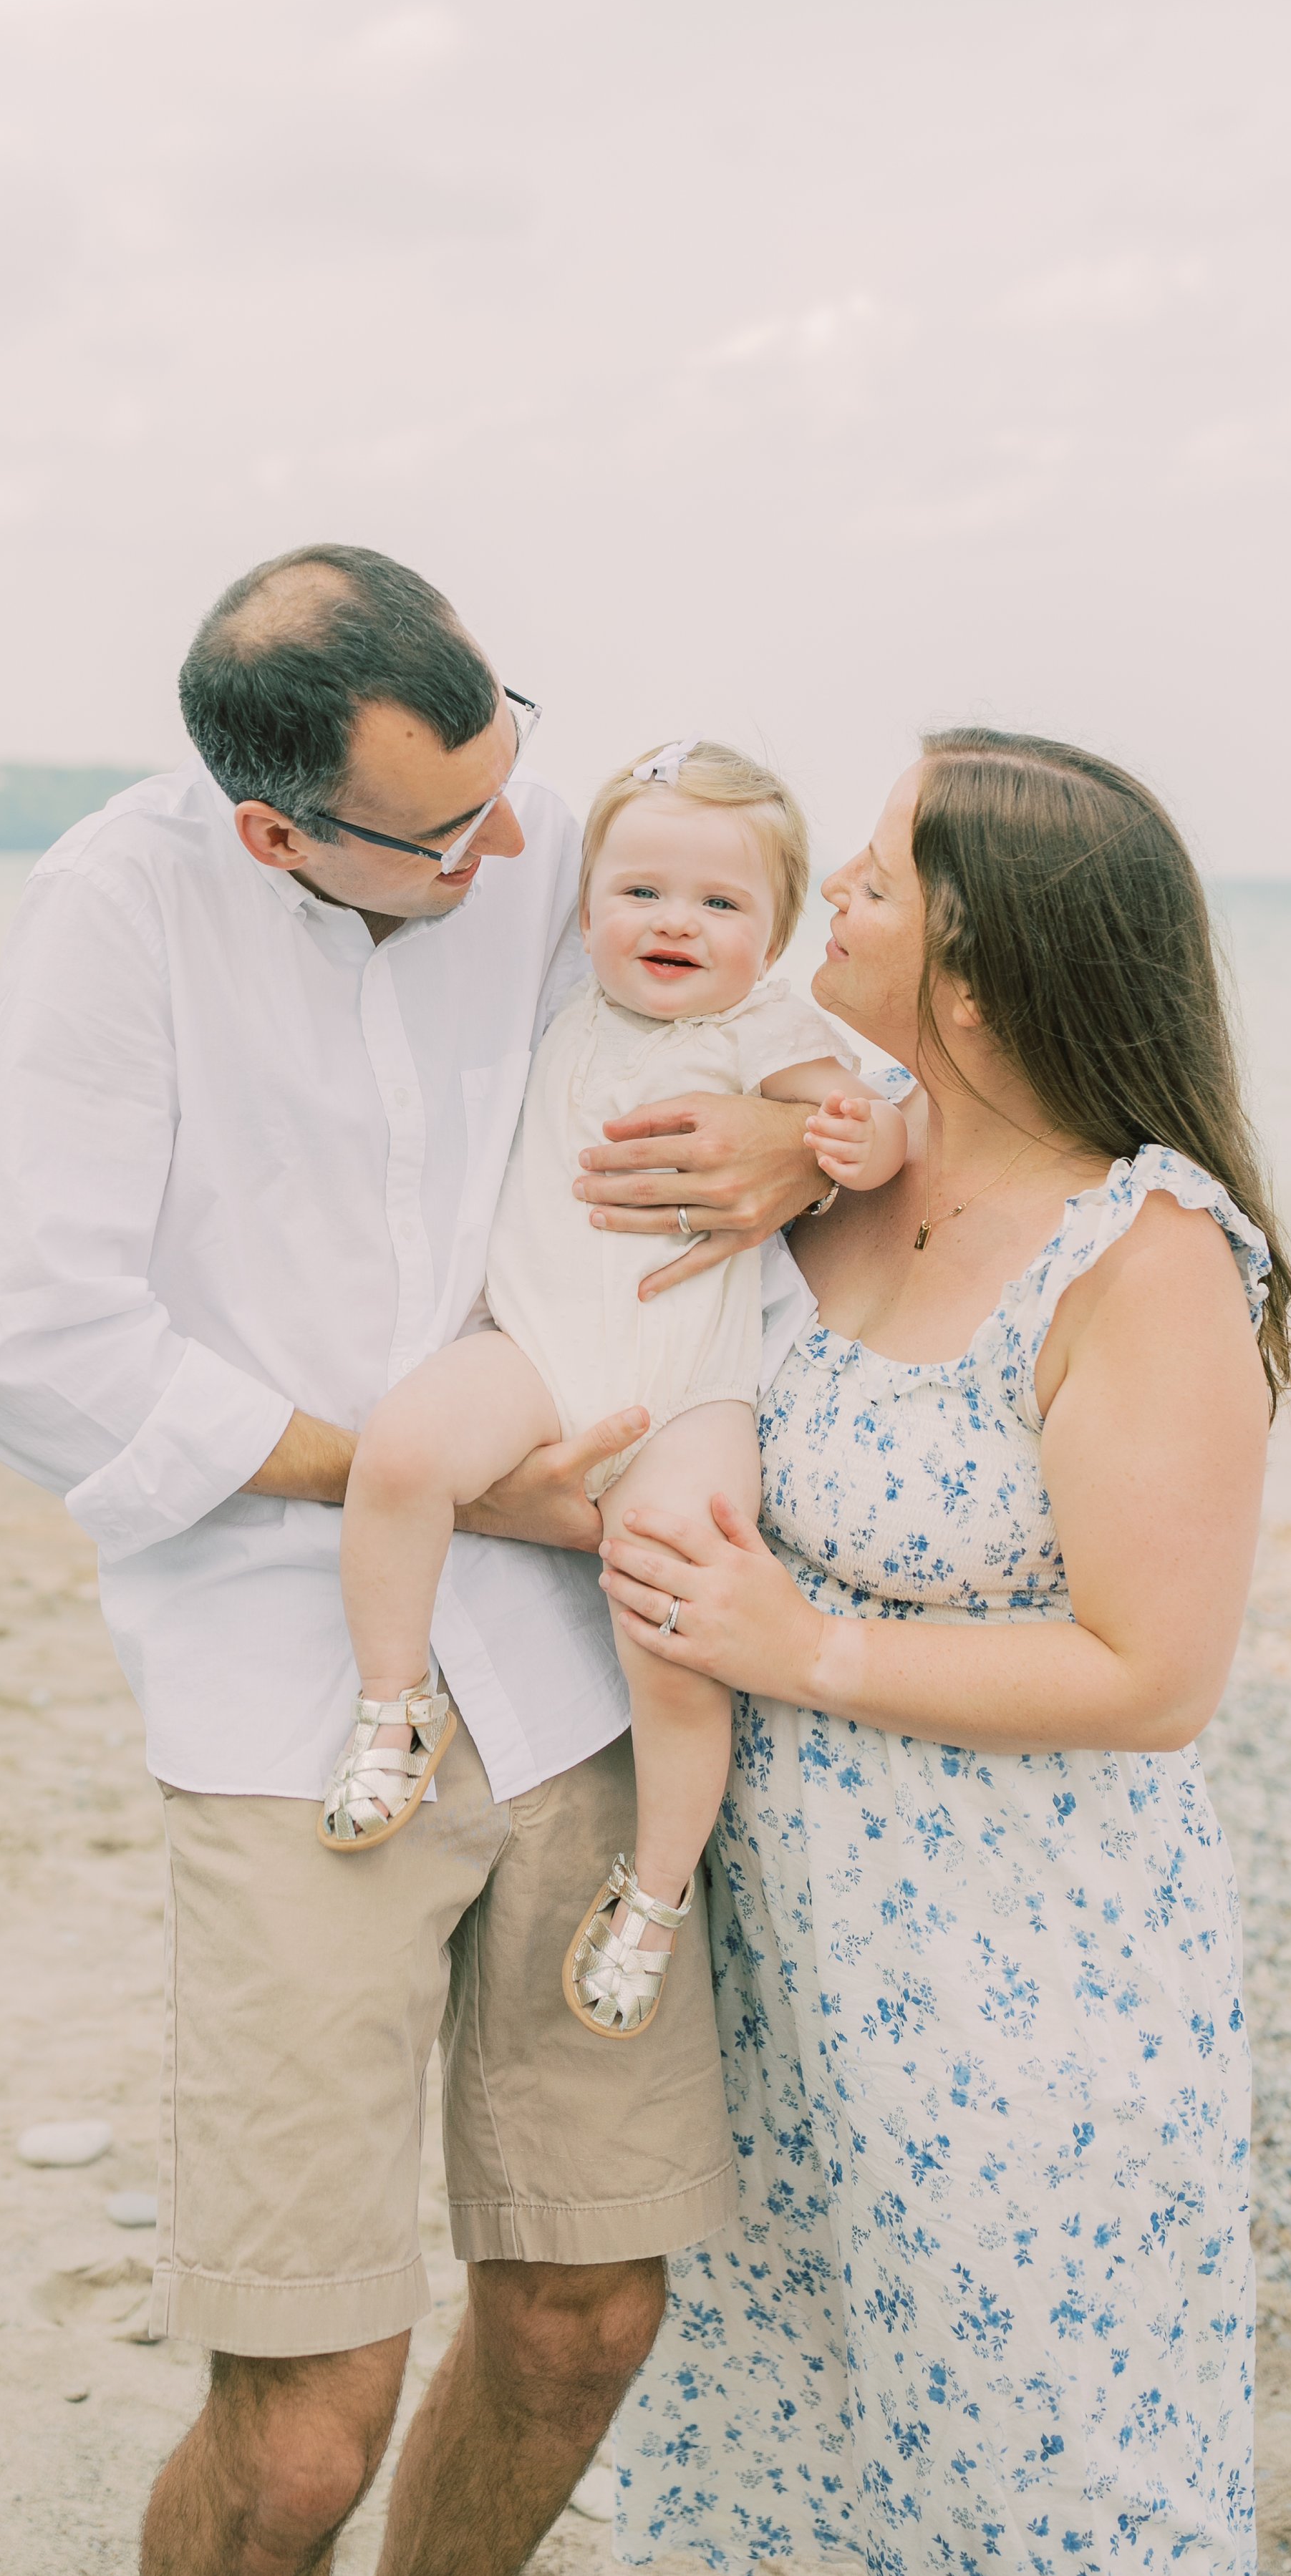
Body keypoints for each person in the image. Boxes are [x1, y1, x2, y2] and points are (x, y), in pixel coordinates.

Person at [0, 545, 833, 2576]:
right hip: (289, 1689)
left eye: (509, 762)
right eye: (451, 828)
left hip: (582, 1665)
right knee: (305, 2420)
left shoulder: (526, 830)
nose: (513, 836)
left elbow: (799, 977)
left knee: (586, 2317)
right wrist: (441, 1479)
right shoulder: (114, 908)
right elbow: (41, 1353)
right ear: (278, 828)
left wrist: (794, 1139)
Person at [601, 729, 1291, 2576]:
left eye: (881, 878)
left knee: (1043, 2470)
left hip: (1021, 1978)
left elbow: (1152, 1671)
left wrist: (797, 1638)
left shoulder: (1136, 1256)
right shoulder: (821, 1178)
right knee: (800, 2454)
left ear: (978, 969)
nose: (832, 888)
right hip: (783, 1959)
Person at [326, 735, 905, 2046]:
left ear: (773, 933)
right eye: (640, 890)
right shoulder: (555, 1007)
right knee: (404, 1449)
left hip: (690, 1389)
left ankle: (655, 1886)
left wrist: (857, 1141)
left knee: (676, 1617)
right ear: (586, 905)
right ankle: (392, 1702)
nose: (673, 923)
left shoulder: (769, 1030)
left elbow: (877, 1120)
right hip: (535, 1350)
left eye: (719, 903)